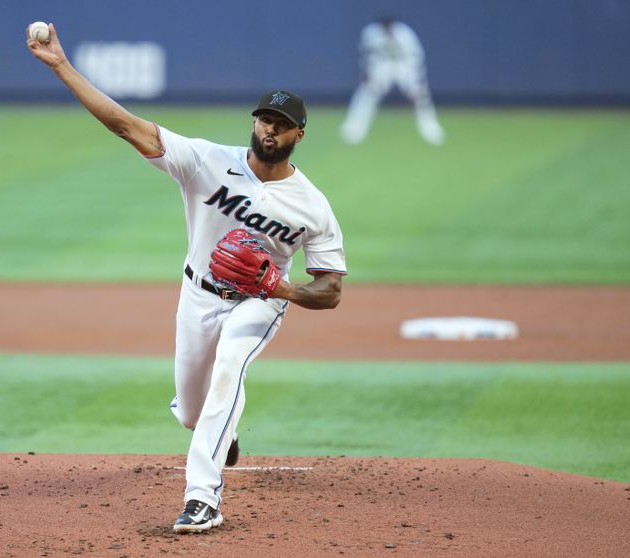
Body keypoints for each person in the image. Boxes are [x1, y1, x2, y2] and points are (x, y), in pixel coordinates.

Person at [26, 23, 347, 533]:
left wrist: (279, 288)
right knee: (193, 412)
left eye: (280, 123)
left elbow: (330, 288)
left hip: (259, 302)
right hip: (196, 294)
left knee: (230, 368)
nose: (269, 128)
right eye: (263, 118)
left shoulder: (312, 205)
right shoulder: (205, 161)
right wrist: (61, 66)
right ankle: (221, 432)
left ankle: (203, 498)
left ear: (298, 135)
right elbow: (125, 125)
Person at [340, 17, 445, 145]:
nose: (387, 30)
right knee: (366, 93)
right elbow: (366, 55)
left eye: (389, 28)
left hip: (405, 66)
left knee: (420, 96)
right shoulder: (371, 33)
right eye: (385, 28)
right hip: (382, 67)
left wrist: (417, 80)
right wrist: (367, 72)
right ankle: (354, 130)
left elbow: (416, 55)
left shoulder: (405, 34)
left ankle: (431, 131)